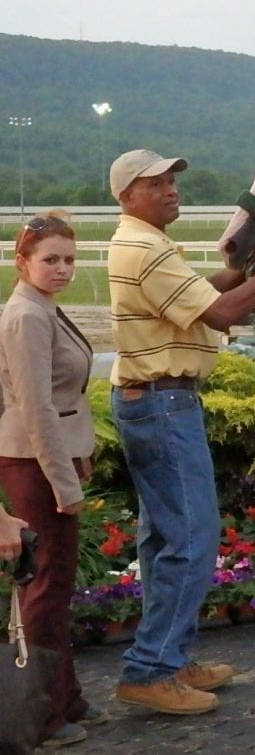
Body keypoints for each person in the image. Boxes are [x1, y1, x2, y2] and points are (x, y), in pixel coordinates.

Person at [107, 149, 255, 716]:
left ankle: (168, 658)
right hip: (162, 404)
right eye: (156, 184)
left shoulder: (144, 243)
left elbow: (207, 294)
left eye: (172, 181)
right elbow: (221, 314)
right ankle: (151, 669)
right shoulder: (145, 248)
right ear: (127, 197)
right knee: (192, 540)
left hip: (152, 403)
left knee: (163, 539)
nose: (172, 189)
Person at [0, 211, 104, 748]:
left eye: (68, 259)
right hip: (35, 465)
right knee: (44, 590)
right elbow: (38, 409)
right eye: (50, 260)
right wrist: (66, 486)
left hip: (48, 460)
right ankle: (41, 714)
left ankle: (65, 696)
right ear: (23, 263)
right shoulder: (26, 317)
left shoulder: (43, 308)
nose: (62, 268)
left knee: (56, 587)